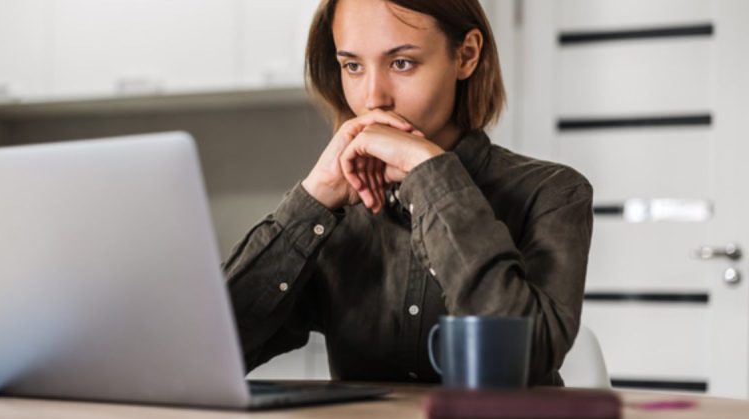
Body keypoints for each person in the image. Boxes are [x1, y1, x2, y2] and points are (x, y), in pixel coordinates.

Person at [225, 0, 594, 386]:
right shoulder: (336, 212)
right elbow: (216, 352)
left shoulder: (553, 193)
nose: (373, 98)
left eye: (401, 63)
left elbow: (518, 361)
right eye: (353, 66)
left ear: (466, 55)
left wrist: (429, 174)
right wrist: (313, 197)